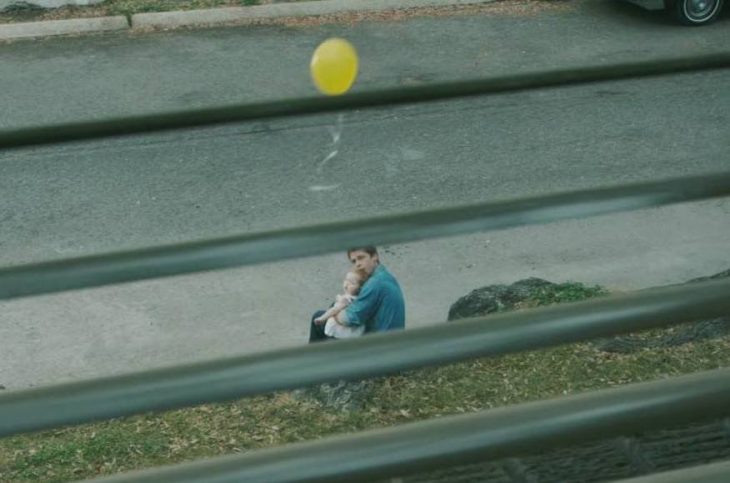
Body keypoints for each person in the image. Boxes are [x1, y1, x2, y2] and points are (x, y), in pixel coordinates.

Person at [309, 246, 405, 343]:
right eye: (354, 261)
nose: (358, 264)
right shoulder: (385, 275)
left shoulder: (375, 283)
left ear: (375, 256)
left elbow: (349, 319)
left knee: (318, 319)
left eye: (361, 258)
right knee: (331, 310)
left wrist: (334, 313)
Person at [314, 271, 366, 339]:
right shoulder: (358, 298)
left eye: (352, 283)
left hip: (338, 333)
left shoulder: (347, 299)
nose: (347, 284)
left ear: (360, 288)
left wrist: (322, 318)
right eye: (346, 280)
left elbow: (334, 310)